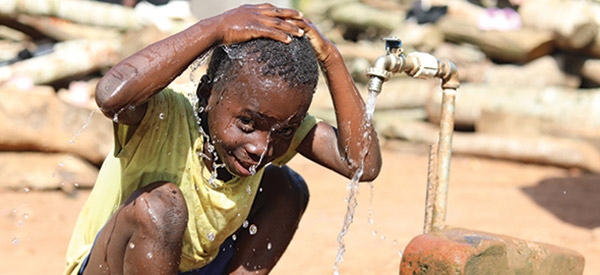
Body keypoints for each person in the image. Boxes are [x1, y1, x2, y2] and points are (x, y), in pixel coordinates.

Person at [65, 3, 381, 275]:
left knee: (287, 188)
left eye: (284, 131)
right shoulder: (163, 114)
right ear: (207, 94)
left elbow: (362, 164)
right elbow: (110, 95)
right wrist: (217, 28)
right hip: (111, 265)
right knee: (162, 208)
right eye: (246, 123)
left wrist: (331, 58)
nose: (261, 148)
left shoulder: (273, 123)